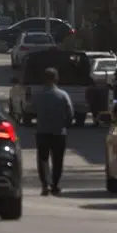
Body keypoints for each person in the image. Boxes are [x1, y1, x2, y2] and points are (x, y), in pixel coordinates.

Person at [32, 67, 74, 196]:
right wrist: (65, 125)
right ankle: (55, 185)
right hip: (58, 132)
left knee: (43, 159)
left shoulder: (39, 96)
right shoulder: (63, 95)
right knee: (58, 160)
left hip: (42, 131)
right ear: (56, 78)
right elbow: (70, 113)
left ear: (44, 79)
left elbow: (32, 111)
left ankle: (45, 185)